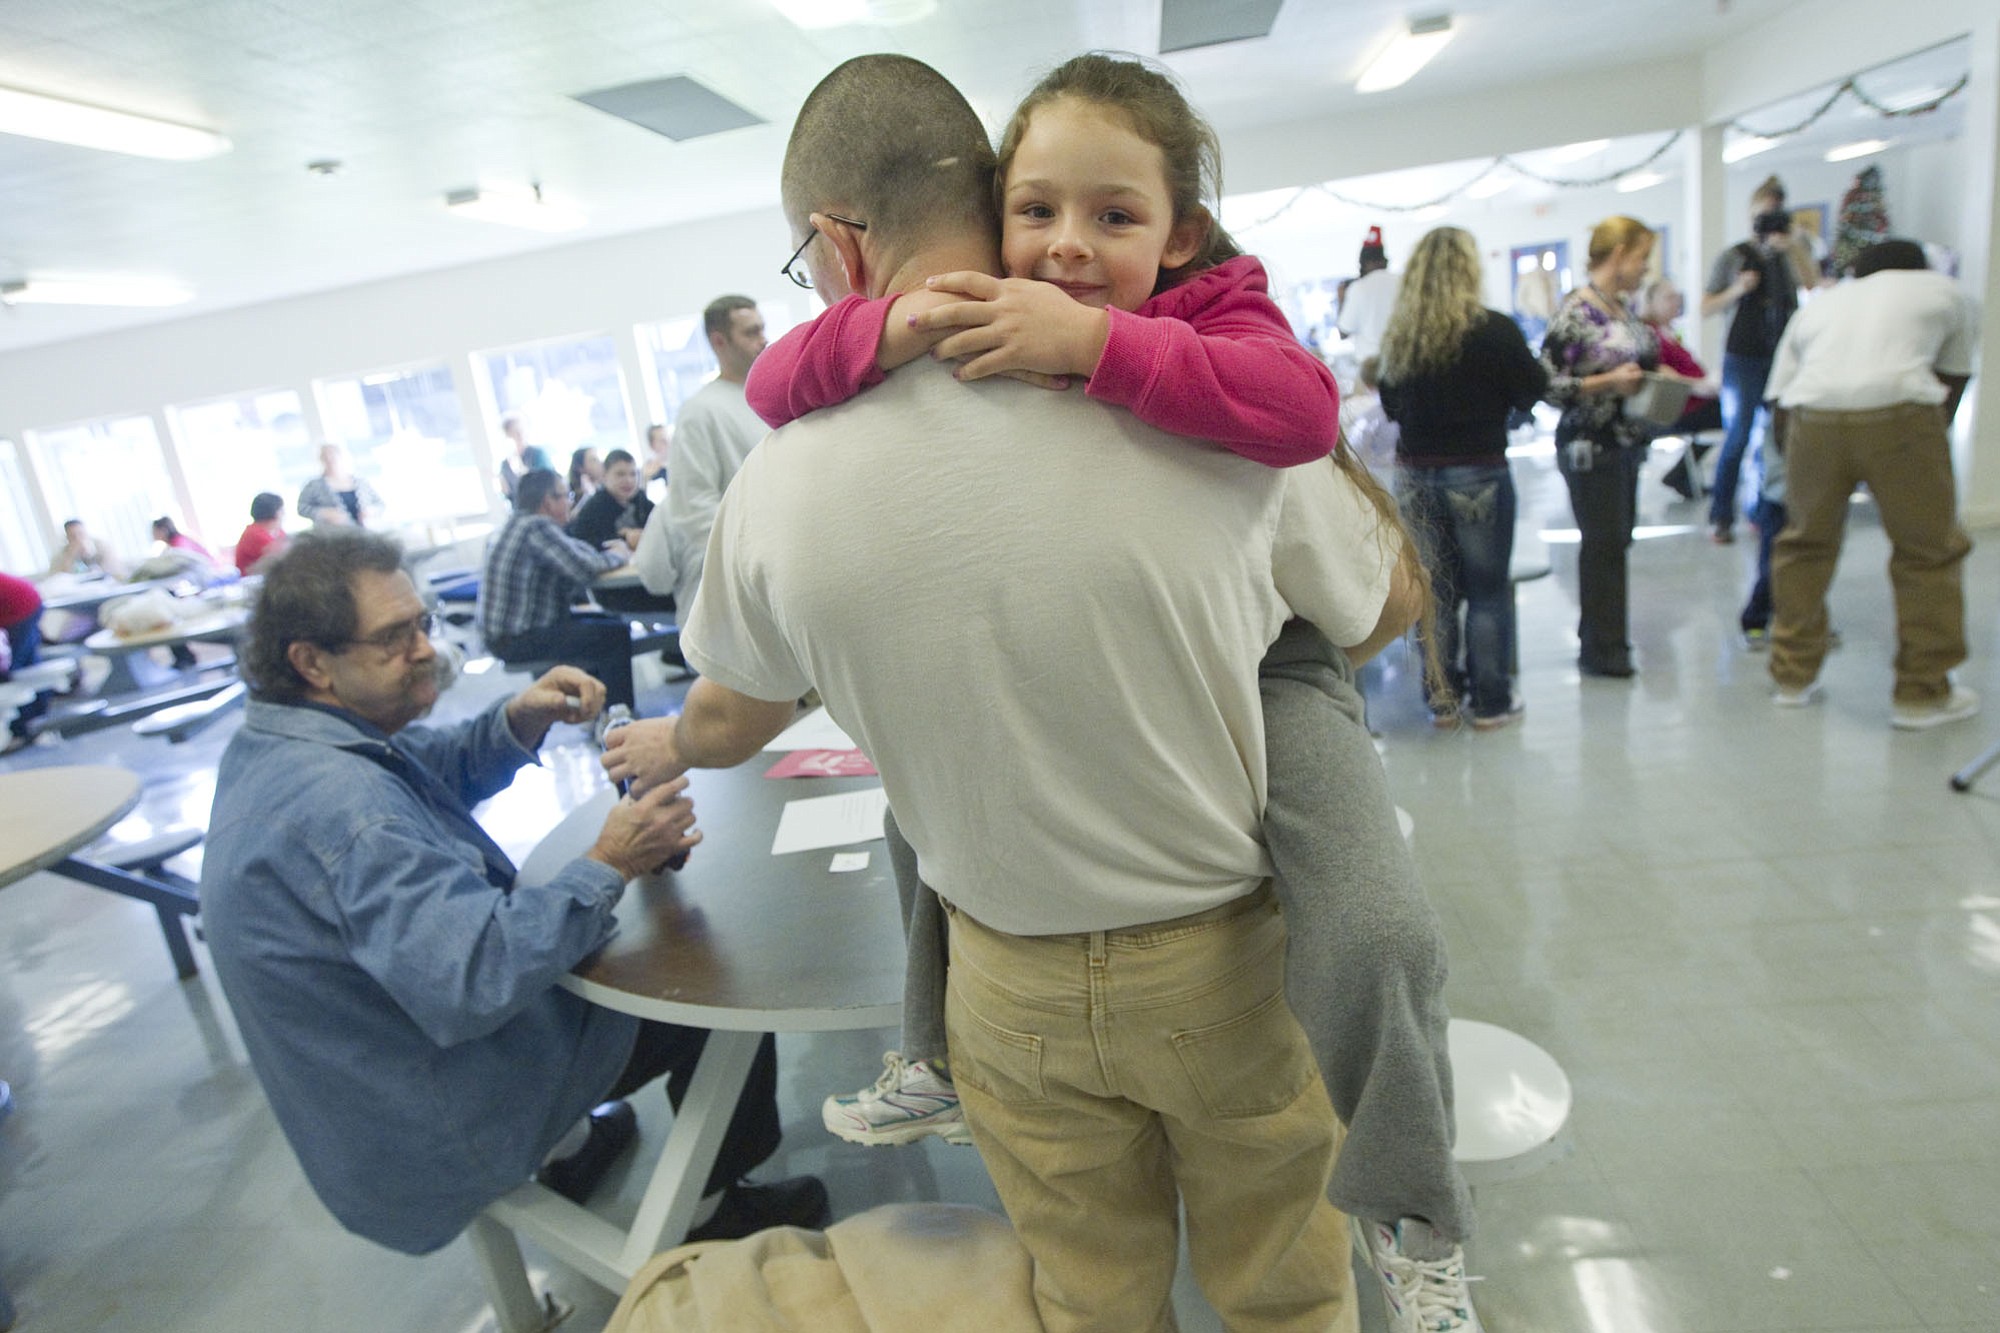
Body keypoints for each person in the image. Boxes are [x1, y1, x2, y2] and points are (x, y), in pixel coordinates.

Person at [608, 52, 1447, 1333]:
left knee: (1092, 1304)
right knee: (1284, 1292)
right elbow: (1385, 605)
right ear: (997, 197)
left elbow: (732, 715)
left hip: (1000, 988)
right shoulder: (1207, 411)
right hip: (1220, 967)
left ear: (836, 246)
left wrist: (660, 738)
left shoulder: (779, 487)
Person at [199, 528, 825, 1256]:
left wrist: (515, 722)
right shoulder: (347, 814)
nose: (425, 649)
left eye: (423, 625)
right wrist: (612, 859)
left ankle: (575, 1144)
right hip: (443, 1109)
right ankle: (711, 1209)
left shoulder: (287, 747)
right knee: (709, 984)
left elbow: (410, 773)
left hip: (370, 1093)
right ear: (312, 661)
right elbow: (478, 975)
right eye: (394, 638)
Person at [1764, 238, 1980, 729]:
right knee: (1926, 551)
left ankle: (1792, 678)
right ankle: (1921, 694)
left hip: (1812, 418)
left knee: (1803, 547)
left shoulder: (1824, 303)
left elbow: (1779, 396)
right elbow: (1954, 379)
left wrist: (1795, 464)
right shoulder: (1945, 291)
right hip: (1901, 411)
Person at [1379, 225, 1548, 729]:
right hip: (1479, 471)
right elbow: (1531, 388)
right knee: (1489, 590)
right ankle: (1492, 702)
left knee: (1437, 594)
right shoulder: (1493, 329)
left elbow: (1391, 405)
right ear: (1470, 270)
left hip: (1414, 475)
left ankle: (1443, 700)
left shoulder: (1401, 337)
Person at [1540, 216, 1659, 679]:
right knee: (1604, 544)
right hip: (1589, 446)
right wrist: (1608, 381)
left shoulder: (1620, 309)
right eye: (1641, 258)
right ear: (1619, 255)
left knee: (1616, 541)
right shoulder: (1575, 313)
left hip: (1624, 441)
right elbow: (1547, 386)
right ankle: (1603, 649)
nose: (1645, 268)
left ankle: (1608, 640)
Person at [479, 468, 636, 710]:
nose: (569, 502)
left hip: (509, 633)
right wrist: (620, 555)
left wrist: (608, 554)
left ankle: (594, 707)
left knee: (607, 623)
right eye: (565, 496)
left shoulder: (519, 523)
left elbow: (578, 551)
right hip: (517, 638)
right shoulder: (536, 528)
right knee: (614, 637)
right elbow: (585, 567)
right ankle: (619, 719)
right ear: (548, 502)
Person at [1702, 184, 1801, 543]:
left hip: (1782, 357)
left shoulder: (1793, 253)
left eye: (1777, 212)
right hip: (1742, 359)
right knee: (1739, 436)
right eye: (1764, 213)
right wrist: (1739, 289)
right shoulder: (1733, 256)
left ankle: (1766, 512)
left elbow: (1814, 284)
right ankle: (1721, 516)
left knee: (1777, 439)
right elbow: (1706, 306)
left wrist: (1792, 250)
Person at [662, 296, 769, 609]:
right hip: (743, 577)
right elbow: (693, 507)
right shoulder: (700, 411)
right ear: (719, 341)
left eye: (762, 329)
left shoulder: (770, 396)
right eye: (751, 333)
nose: (763, 341)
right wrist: (755, 554)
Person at [1644, 278, 1725, 500]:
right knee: (1728, 415)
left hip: (1693, 400)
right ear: (1651, 302)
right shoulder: (1650, 334)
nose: (1675, 303)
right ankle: (1681, 475)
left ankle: (1681, 475)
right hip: (1674, 408)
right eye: (1668, 298)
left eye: (1676, 297)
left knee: (1726, 412)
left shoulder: (1668, 331)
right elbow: (1663, 374)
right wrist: (1702, 386)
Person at [1337, 225, 1401, 361]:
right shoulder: (1402, 282)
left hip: (1370, 367)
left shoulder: (1358, 288)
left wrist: (1341, 300)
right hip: (1400, 362)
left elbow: (1344, 332)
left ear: (1365, 263)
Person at [567, 449, 652, 551]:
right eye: (620, 474)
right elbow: (582, 542)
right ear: (605, 475)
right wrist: (624, 537)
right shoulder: (594, 507)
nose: (628, 480)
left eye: (633, 474)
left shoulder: (640, 499)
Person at [2, 571, 47, 753]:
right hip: (27, 600)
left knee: (12, 672)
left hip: (20, 608)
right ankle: (33, 723)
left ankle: (22, 730)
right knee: (27, 666)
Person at [299, 442, 385, 529]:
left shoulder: (361, 482)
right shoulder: (314, 485)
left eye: (333, 455)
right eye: (326, 456)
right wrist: (324, 513)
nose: (330, 459)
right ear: (321, 459)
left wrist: (371, 511)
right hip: (332, 536)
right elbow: (302, 508)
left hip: (365, 533)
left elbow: (380, 504)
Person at [233, 492, 290, 575]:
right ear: (276, 512)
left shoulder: (276, 531)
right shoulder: (254, 535)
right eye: (282, 510)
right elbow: (284, 557)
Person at [46, 518, 122, 579]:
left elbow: (115, 572)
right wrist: (70, 557)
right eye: (73, 537)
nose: (78, 539)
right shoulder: (60, 556)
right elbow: (57, 580)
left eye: (81, 534)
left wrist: (91, 555)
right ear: (67, 538)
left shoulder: (102, 546)